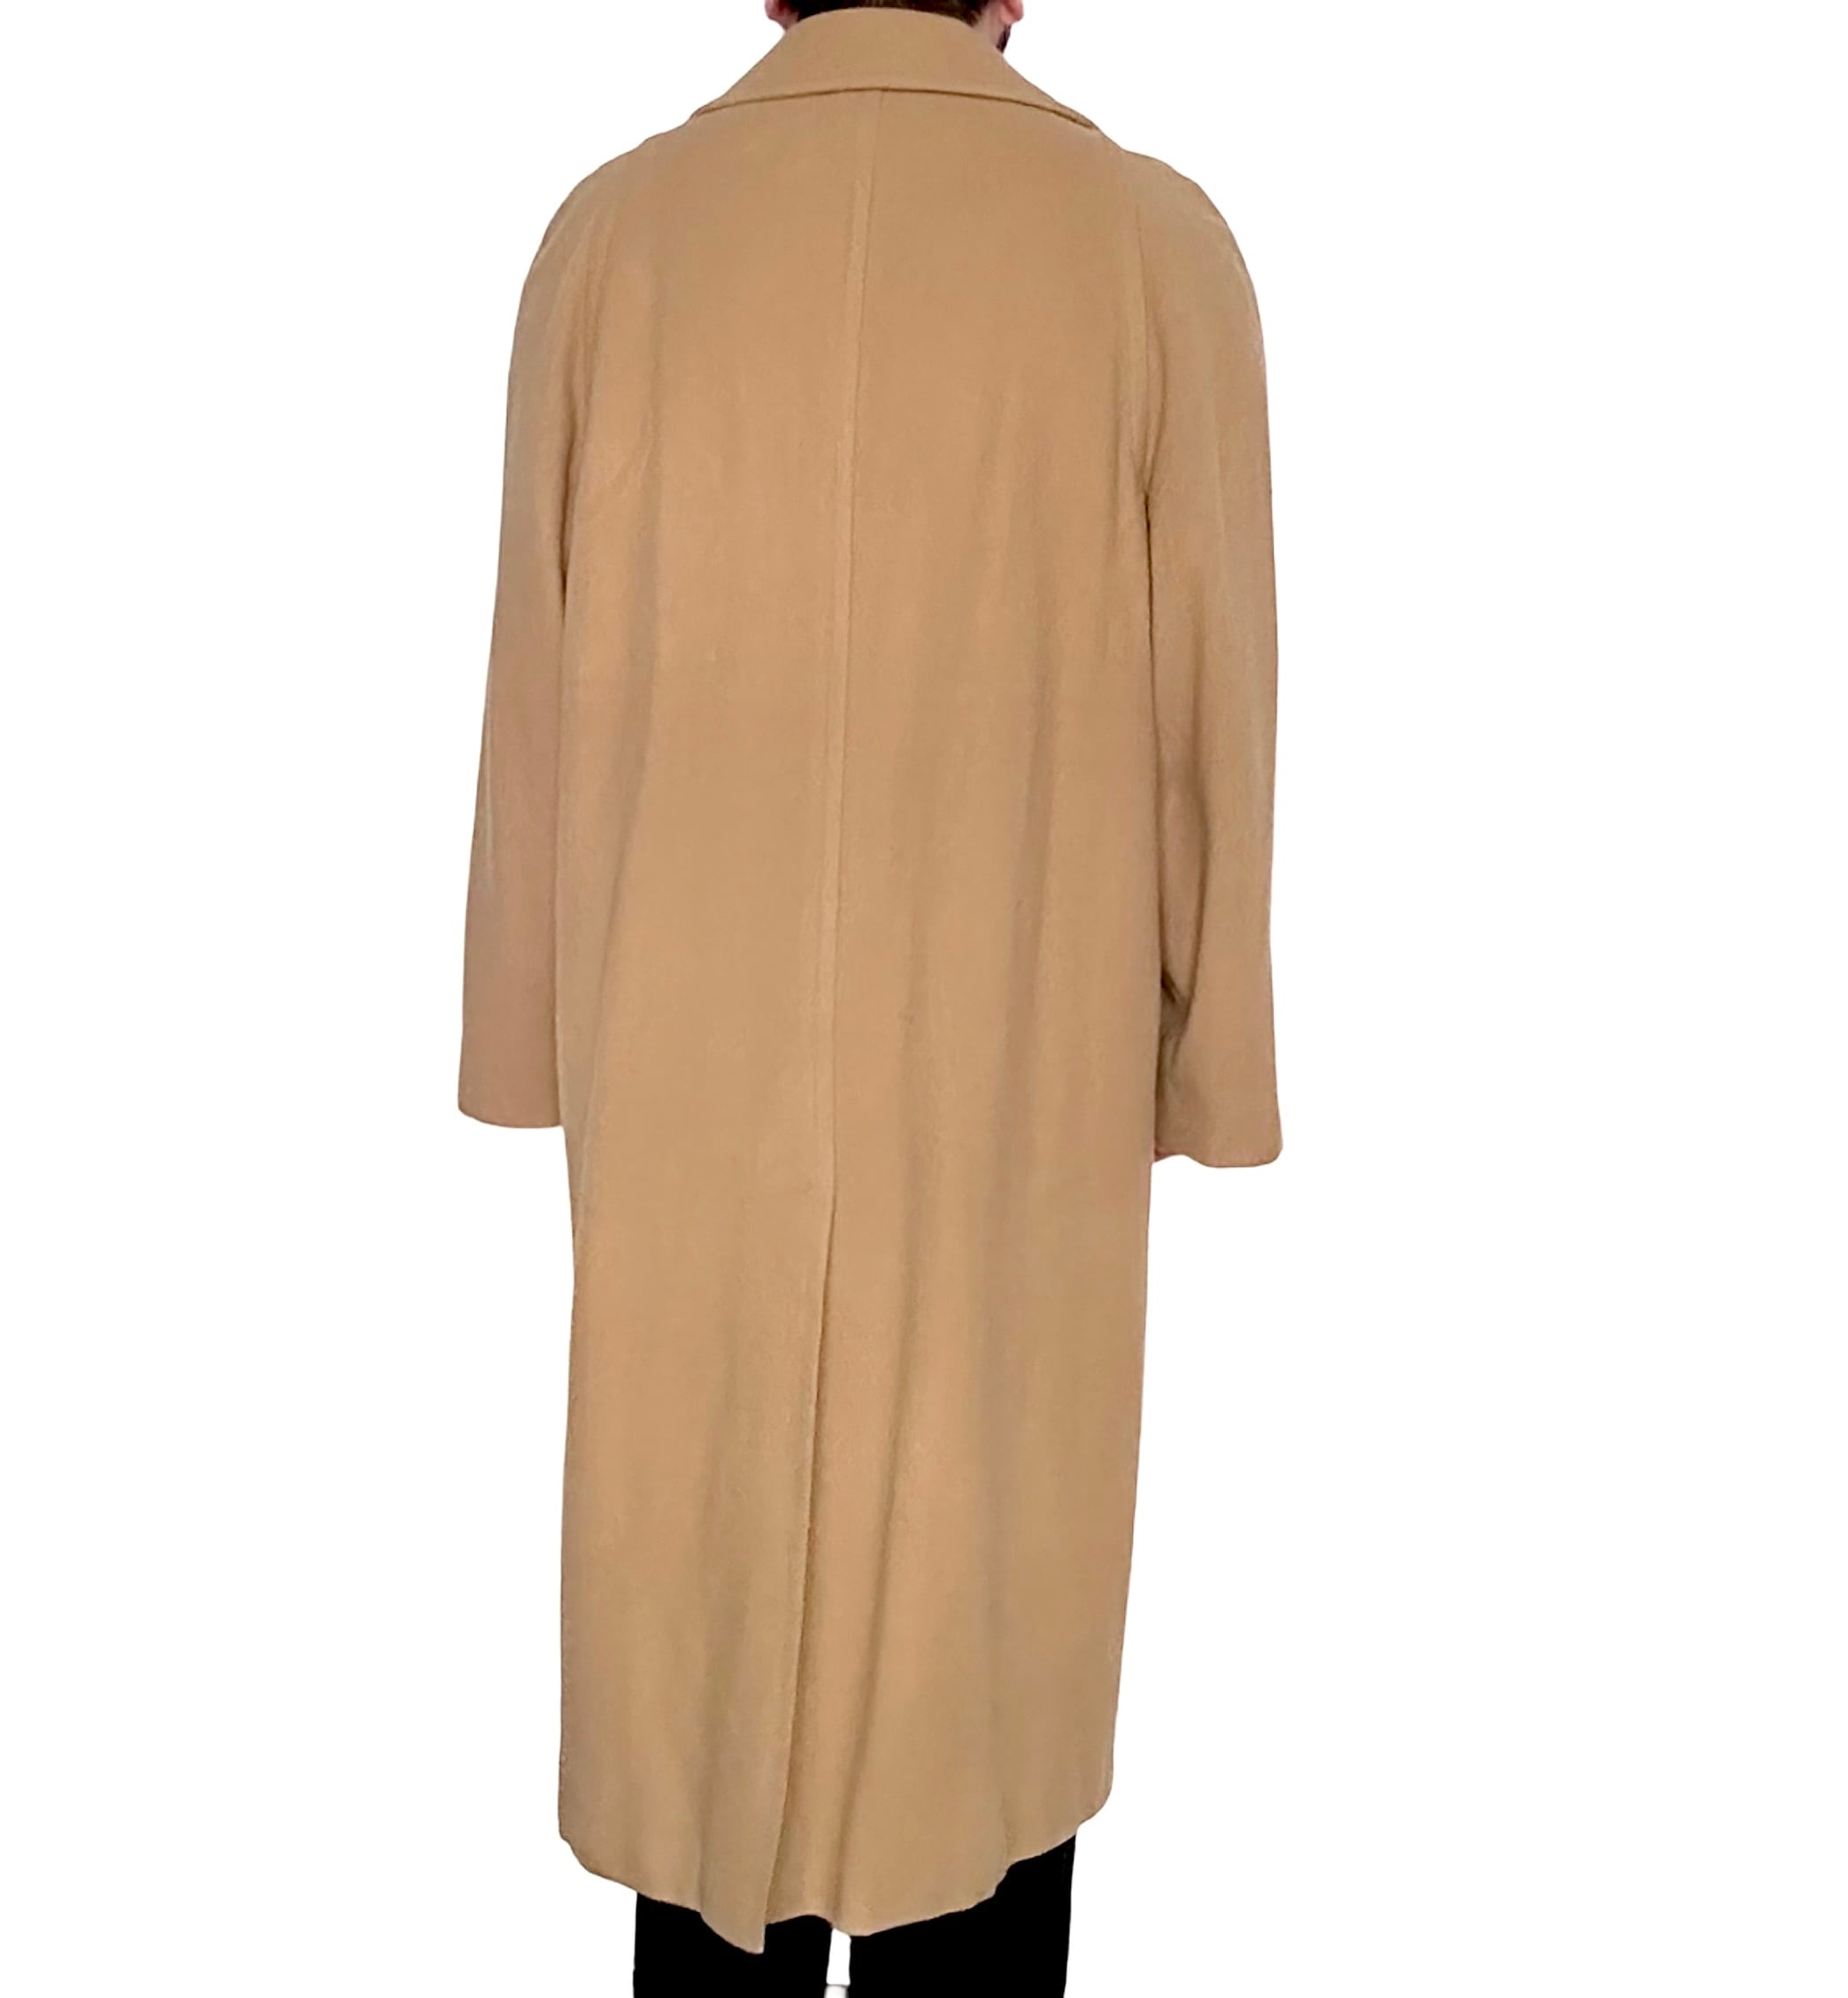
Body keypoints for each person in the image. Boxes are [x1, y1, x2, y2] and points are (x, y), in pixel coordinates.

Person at [458, 0, 1282, 1988]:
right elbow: (1214, 702)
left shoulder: (616, 236)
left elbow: (533, 677)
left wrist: (523, 1022)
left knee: (702, 1613)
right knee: (975, 1673)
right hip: (1017, 1071)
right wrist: (1213, 1050)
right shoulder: (1145, 244)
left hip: (681, 1063)